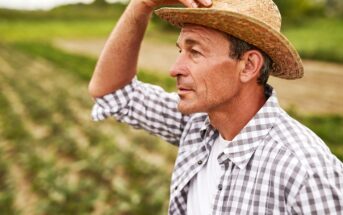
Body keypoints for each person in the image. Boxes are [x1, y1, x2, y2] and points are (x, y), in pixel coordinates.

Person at [89, 0, 343, 214]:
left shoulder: (306, 171)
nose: (175, 68)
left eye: (195, 52)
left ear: (248, 66)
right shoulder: (199, 125)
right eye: (181, 50)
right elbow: (113, 92)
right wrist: (141, 5)